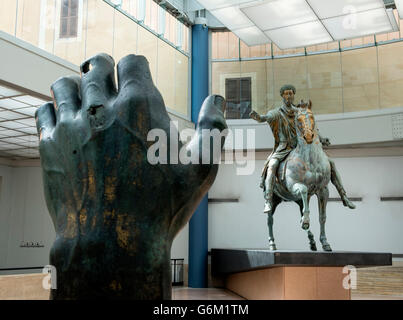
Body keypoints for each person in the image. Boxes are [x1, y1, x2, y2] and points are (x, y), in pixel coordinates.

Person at [250, 84, 355, 213]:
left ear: (294, 95)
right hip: (284, 147)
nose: (289, 96)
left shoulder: (299, 112)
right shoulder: (277, 113)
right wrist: (259, 118)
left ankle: (343, 195)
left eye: (291, 93)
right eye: (286, 93)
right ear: (282, 96)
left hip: (299, 146)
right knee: (272, 165)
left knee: (330, 163)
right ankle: (268, 200)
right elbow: (267, 117)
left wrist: (321, 138)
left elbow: (309, 127)